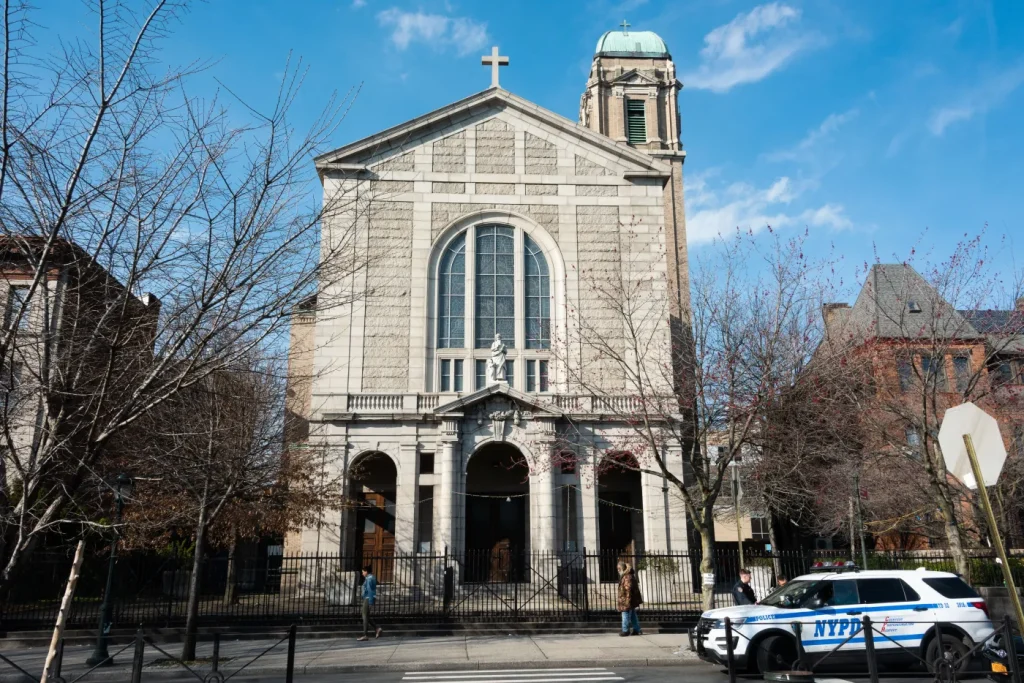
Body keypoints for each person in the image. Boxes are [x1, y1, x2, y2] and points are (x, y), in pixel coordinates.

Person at [617, 561, 643, 636]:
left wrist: (626, 601)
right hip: (628, 599)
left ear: (622, 568)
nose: (618, 570)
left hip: (627, 599)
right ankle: (636, 629)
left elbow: (628, 589)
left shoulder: (627, 577)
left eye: (618, 568)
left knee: (625, 614)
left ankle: (625, 630)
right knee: (632, 615)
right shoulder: (627, 576)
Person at [357, 565, 383, 641]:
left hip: (368, 598)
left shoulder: (369, 579)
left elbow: (369, 589)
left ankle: (365, 635)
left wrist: (368, 598)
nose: (362, 574)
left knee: (364, 615)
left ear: (366, 571)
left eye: (363, 572)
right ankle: (377, 628)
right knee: (366, 615)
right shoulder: (372, 577)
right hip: (370, 598)